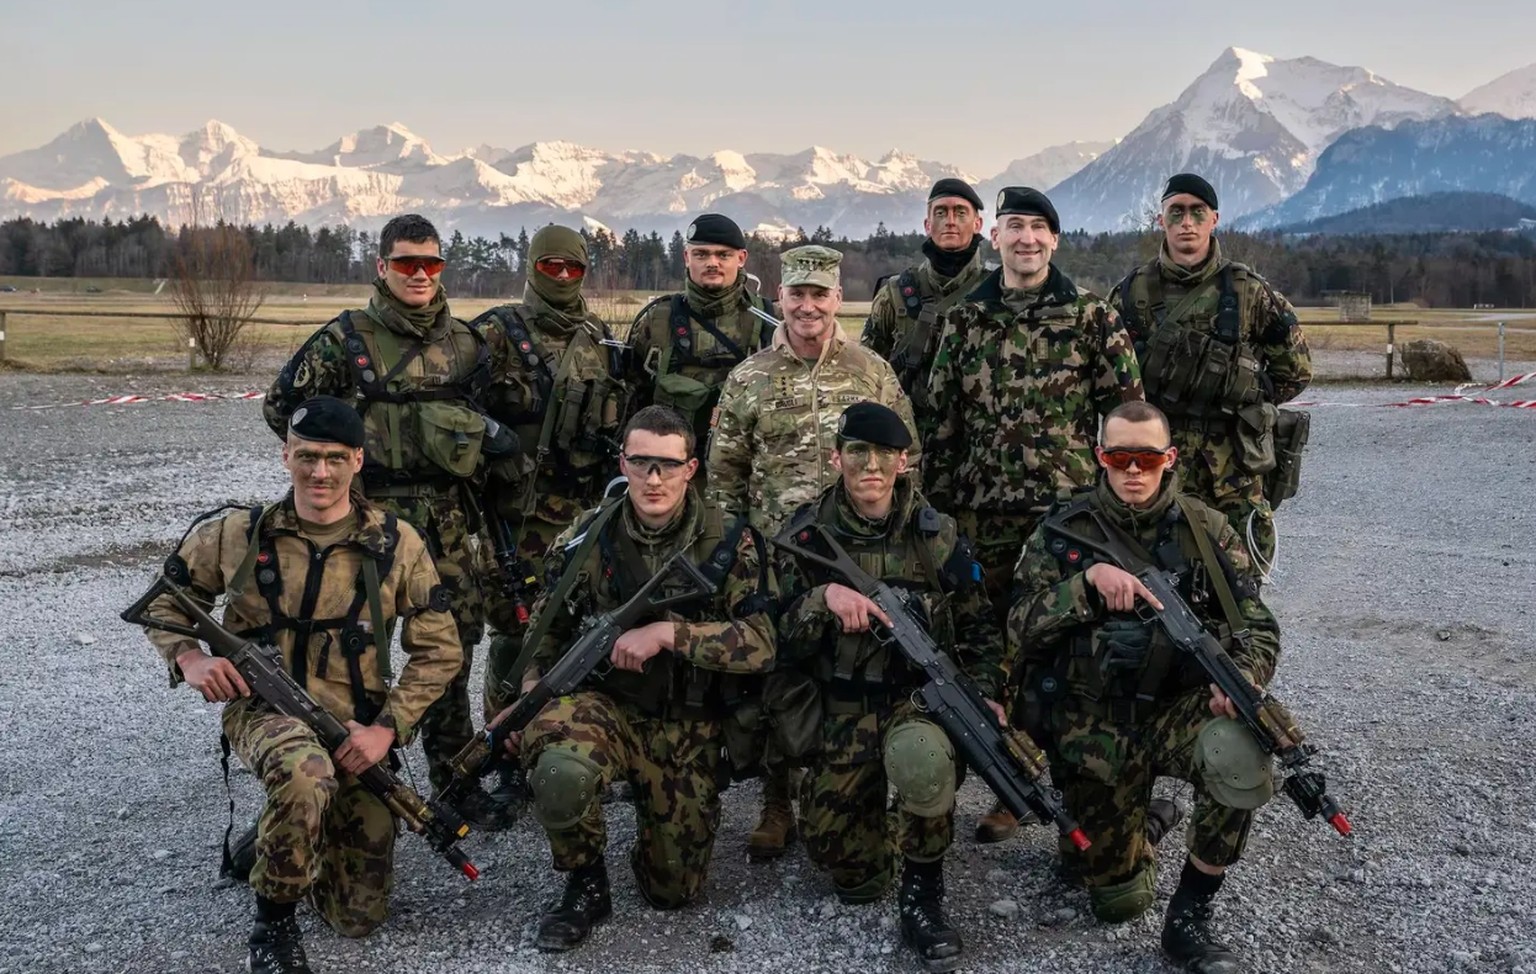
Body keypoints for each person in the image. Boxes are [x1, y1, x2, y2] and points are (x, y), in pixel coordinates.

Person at [139, 396, 462, 974]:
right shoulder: (236, 535)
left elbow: (440, 651)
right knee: (303, 773)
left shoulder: (397, 544)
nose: (320, 472)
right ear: (286, 454)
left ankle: (279, 836)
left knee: (357, 916)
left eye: (335, 458)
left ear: (358, 461)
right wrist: (189, 659)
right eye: (307, 456)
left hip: (356, 729)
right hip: (264, 712)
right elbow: (164, 600)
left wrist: (387, 730)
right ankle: (274, 924)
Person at [1010, 400, 1281, 973]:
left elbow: (1256, 626)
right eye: (1119, 457)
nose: (1134, 471)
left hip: (1175, 709)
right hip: (1095, 720)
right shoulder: (1063, 530)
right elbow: (1017, 627)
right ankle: (1148, 821)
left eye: (1148, 459)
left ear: (1170, 459)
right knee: (1116, 899)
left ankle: (1189, 918)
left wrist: (1244, 678)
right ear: (1099, 457)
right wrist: (1083, 586)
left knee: (1240, 750)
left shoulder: (1206, 531)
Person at [263, 214, 507, 821]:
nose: (420, 274)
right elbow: (282, 409)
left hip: (447, 518)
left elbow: (488, 421)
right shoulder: (344, 341)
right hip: (366, 518)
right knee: (350, 646)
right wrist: (337, 466)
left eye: (430, 263)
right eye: (406, 263)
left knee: (451, 643)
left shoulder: (466, 343)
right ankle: (345, 765)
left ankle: (453, 776)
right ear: (382, 267)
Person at [514, 405, 778, 951]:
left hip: (688, 724)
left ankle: (653, 831)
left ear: (691, 468)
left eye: (666, 465)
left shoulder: (729, 541)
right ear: (623, 463)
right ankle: (586, 883)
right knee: (560, 768)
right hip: (605, 707)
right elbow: (545, 630)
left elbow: (761, 644)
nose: (653, 479)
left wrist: (668, 636)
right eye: (640, 463)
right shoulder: (588, 536)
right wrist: (529, 697)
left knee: (674, 890)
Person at [925, 186, 1144, 842]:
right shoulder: (965, 319)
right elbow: (941, 422)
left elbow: (1128, 415)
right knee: (986, 642)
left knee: (1049, 646)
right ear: (995, 237)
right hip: (981, 512)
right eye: (1014, 226)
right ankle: (986, 768)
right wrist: (934, 514)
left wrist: (1120, 509)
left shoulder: (1089, 317)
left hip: (1062, 518)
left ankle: (1037, 771)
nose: (1025, 238)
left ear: (1055, 240)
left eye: (1038, 228)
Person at [775, 402, 1001, 973]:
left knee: (924, 762)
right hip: (841, 706)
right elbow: (770, 633)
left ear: (904, 462)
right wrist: (820, 601)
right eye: (857, 452)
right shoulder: (805, 533)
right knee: (851, 877)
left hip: (915, 700)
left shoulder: (937, 534)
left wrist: (986, 691)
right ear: (837, 458)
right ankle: (878, 840)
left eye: (884, 455)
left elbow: (978, 626)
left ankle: (924, 896)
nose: (870, 465)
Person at [708, 243, 916, 859]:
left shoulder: (871, 373)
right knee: (782, 672)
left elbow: (907, 459)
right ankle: (778, 800)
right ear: (780, 298)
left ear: (837, 300)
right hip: (776, 553)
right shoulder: (748, 379)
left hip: (855, 552)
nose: (807, 306)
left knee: (854, 664)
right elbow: (724, 477)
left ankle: (862, 783)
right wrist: (732, 555)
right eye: (795, 294)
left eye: (818, 294)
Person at [472, 224, 630, 820]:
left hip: (584, 513)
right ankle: (505, 754)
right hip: (516, 519)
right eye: (550, 267)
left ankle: (564, 745)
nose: (561, 278)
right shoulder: (495, 333)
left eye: (572, 268)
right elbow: (459, 407)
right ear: (532, 268)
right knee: (516, 635)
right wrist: (496, 444)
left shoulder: (600, 338)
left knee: (577, 633)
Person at [1108, 173, 1312, 570]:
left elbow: (1297, 369)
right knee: (1155, 577)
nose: (1187, 222)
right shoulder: (1131, 293)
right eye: (1177, 212)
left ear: (1214, 219)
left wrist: (1243, 392)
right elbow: (1111, 374)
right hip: (1157, 466)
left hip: (1233, 467)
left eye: (1197, 213)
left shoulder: (1249, 291)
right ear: (1160, 220)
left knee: (1242, 579)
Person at [625, 213, 776, 481]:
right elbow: (632, 397)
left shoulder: (770, 322)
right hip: (669, 477)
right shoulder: (657, 320)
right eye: (702, 254)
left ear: (741, 259)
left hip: (748, 475)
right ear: (686, 258)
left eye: (723, 255)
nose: (712, 263)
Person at [861, 178, 988, 434]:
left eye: (960, 212)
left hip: (977, 447)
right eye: (941, 212)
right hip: (910, 442)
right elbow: (866, 373)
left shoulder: (996, 292)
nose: (950, 220)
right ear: (928, 225)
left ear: (978, 224)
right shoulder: (895, 293)